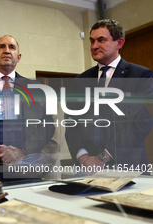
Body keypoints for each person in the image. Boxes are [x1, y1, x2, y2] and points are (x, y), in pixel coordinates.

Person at [65, 19, 153, 173]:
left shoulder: (141, 75)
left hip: (128, 167)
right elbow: (71, 122)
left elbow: (142, 122)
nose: (94, 46)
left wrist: (103, 157)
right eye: (92, 41)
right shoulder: (80, 81)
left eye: (101, 40)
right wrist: (83, 157)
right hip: (87, 168)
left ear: (119, 43)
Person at [0, 35, 57, 169]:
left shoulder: (34, 88)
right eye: (1, 47)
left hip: (25, 165)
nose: (7, 50)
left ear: (18, 57)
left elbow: (47, 126)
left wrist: (22, 151)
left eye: (12, 47)